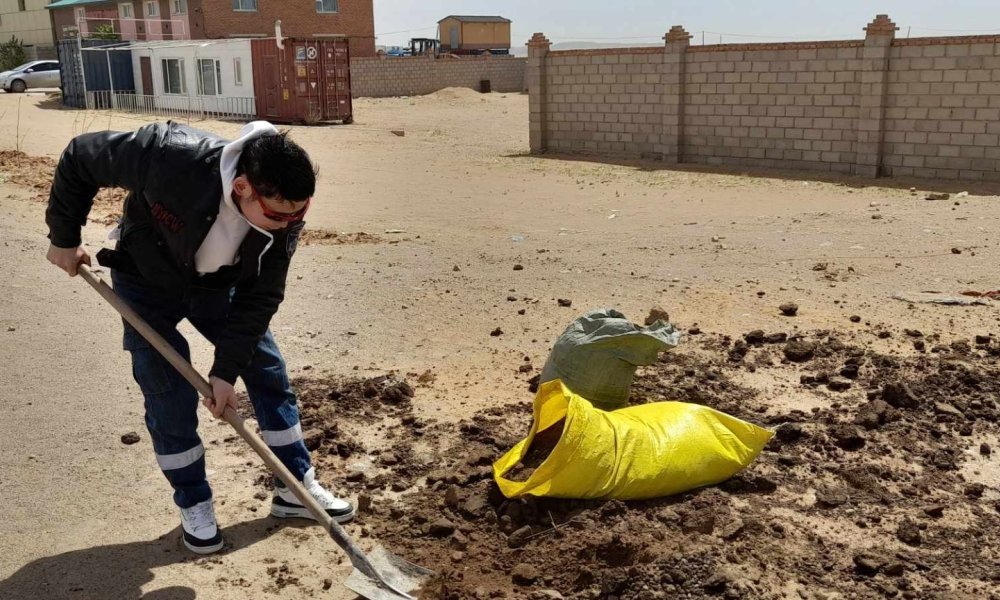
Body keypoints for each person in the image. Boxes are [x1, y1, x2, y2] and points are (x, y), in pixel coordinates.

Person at [45, 120, 354, 555]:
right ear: (243, 187)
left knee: (265, 369)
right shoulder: (169, 153)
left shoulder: (285, 211)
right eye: (280, 216)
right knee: (168, 393)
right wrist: (64, 237)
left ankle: (294, 487)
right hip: (145, 282)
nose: (290, 225)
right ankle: (195, 503)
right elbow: (80, 156)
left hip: (216, 287)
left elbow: (261, 296)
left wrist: (225, 372)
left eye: (298, 215)